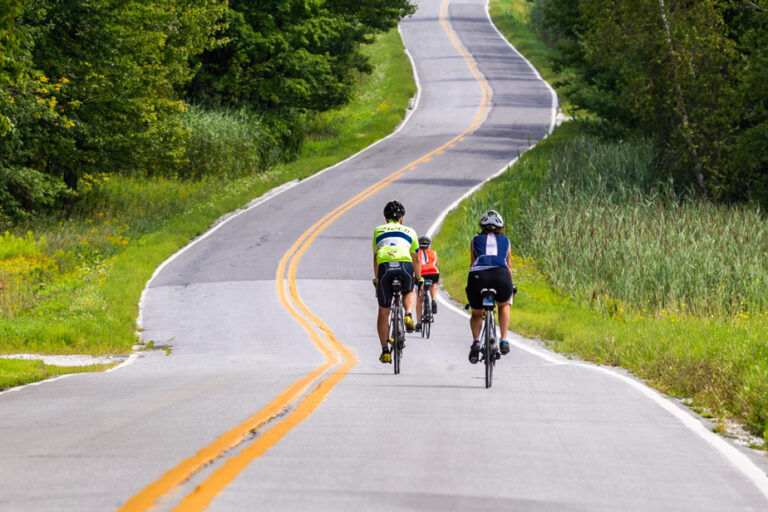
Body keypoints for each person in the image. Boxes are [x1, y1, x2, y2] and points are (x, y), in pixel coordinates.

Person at [372, 200, 421, 363]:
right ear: (402, 218)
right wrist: (419, 278)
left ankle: (385, 351)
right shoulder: (410, 231)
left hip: (385, 266)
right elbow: (416, 260)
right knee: (409, 290)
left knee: (383, 311)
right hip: (405, 266)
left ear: (385, 218)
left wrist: (377, 279)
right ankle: (408, 315)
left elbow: (376, 257)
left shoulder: (378, 230)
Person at [466, 210, 515, 364]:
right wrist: (511, 288)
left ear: (482, 226)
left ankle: (475, 341)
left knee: (476, 312)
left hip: (479, 277)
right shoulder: (506, 241)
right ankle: (504, 340)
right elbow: (509, 266)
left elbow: (473, 263)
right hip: (501, 276)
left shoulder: (475, 240)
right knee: (504, 304)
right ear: (500, 227)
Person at [415, 235, 439, 332]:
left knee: (419, 300)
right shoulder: (433, 253)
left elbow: (414, 266)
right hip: (433, 273)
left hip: (421, 273)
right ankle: (433, 299)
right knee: (433, 284)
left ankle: (419, 323)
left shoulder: (416, 253)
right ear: (428, 245)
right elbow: (436, 265)